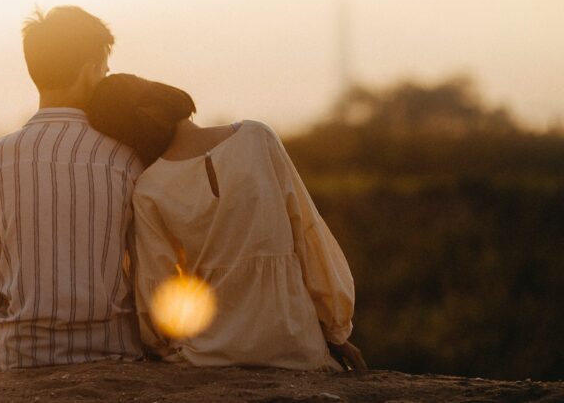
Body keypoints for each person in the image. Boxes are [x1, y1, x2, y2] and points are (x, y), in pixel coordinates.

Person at [85, 73, 366, 371]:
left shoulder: (149, 189)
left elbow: (158, 288)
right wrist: (335, 330)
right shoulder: (258, 138)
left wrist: (162, 346)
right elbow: (308, 235)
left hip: (209, 354)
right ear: (162, 94)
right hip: (295, 344)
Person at [0, 7, 143, 369]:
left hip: (23, 357)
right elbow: (148, 272)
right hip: (115, 354)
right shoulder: (127, 159)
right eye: (104, 70)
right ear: (91, 71)